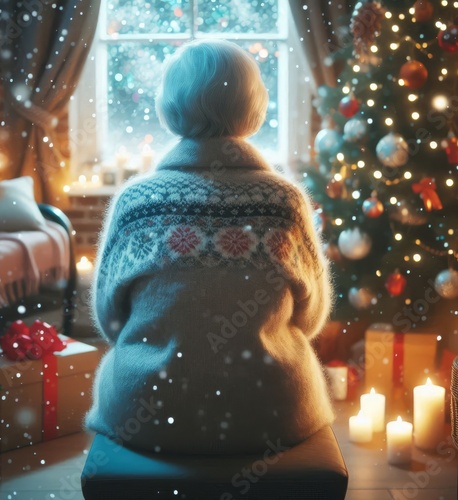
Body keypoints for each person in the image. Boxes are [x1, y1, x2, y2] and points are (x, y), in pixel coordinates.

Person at [85, 39, 334, 454]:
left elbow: (110, 318)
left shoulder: (136, 203)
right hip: (272, 411)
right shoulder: (284, 202)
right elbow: (311, 317)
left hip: (147, 411)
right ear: (253, 104)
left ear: (171, 104)